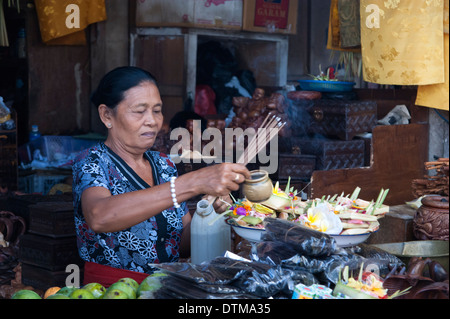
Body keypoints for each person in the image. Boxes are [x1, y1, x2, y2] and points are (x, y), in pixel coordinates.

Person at [72, 66, 250, 287]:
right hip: (112, 291)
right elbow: (100, 217)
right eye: (140, 111)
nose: (152, 121)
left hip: (166, 288)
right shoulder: (92, 161)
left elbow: (180, 244)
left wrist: (210, 214)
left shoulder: (163, 164)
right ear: (107, 115)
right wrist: (192, 182)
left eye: (157, 110)